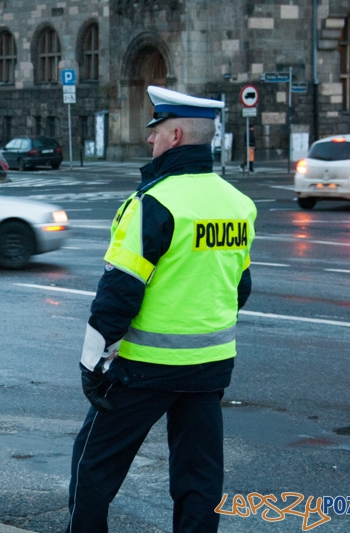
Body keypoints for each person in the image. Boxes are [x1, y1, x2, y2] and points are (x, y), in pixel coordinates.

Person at [65, 85, 257, 533]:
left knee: (93, 467)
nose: (148, 140)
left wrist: (92, 364)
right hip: (210, 366)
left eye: (154, 131)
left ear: (174, 136)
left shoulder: (153, 202)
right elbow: (239, 288)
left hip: (144, 369)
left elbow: (118, 293)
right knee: (199, 478)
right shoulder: (239, 205)